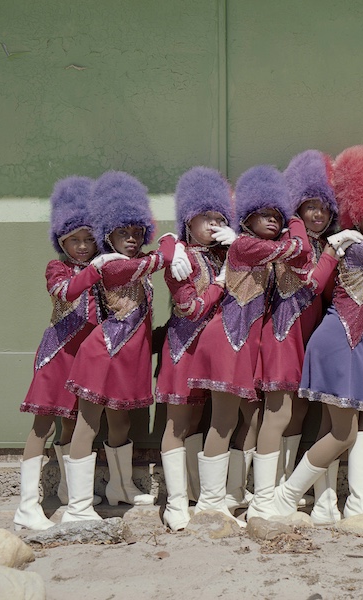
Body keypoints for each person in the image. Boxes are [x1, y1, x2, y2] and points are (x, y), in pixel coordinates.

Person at [270, 145, 363, 516]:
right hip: (339, 341)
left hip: (349, 343)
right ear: (356, 214)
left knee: (331, 426)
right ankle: (284, 497)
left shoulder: (361, 246)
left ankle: (324, 508)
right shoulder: (361, 249)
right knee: (345, 433)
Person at [186, 165, 309, 524]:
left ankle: (232, 497)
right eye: (265, 214)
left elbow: (298, 257)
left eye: (277, 215)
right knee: (222, 421)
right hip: (228, 338)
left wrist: (290, 219)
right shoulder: (244, 246)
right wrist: (295, 220)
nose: (272, 220)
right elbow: (297, 249)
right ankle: (210, 502)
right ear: (247, 217)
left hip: (243, 341)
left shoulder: (255, 247)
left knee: (236, 420)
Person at [63, 171, 184, 522]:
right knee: (87, 426)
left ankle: (120, 487)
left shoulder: (133, 266)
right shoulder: (113, 266)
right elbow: (157, 259)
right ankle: (78, 506)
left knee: (121, 426)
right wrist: (169, 239)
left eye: (136, 233)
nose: (131, 239)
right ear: (107, 235)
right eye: (122, 233)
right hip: (101, 356)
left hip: (127, 360)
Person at [14, 176, 121, 530]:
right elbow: (66, 293)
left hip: (87, 358)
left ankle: (69, 492)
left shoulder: (103, 269)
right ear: (61, 240)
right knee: (42, 426)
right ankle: (27, 506)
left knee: (76, 424)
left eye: (90, 239)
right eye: (74, 239)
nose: (82, 246)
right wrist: (96, 269)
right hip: (57, 354)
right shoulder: (57, 268)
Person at [247, 150, 343, 520]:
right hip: (284, 333)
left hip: (310, 338)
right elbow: (313, 283)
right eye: (309, 206)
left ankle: (284, 485)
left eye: (324, 207)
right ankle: (261, 498)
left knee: (299, 411)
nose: (317, 214)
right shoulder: (294, 237)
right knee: (278, 413)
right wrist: (332, 251)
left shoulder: (323, 241)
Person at [155, 166, 232, 531]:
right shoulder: (179, 256)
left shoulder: (221, 254)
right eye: (207, 218)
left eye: (221, 218)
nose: (214, 225)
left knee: (200, 420)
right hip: (182, 350)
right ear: (189, 218)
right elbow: (190, 308)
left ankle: (197, 495)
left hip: (212, 354)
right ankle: (174, 502)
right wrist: (170, 244)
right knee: (177, 422)